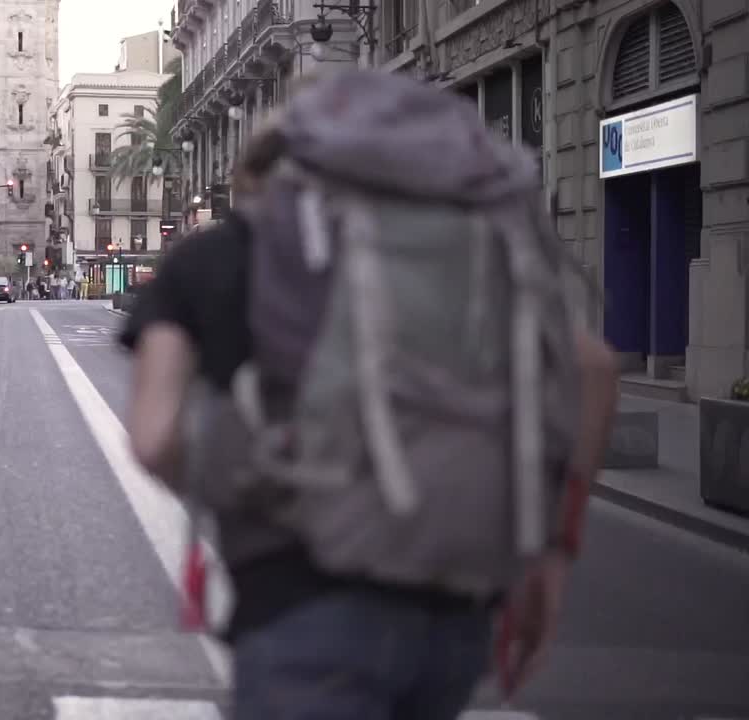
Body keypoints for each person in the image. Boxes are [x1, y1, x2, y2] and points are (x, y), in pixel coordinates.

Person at [121, 68, 621, 720]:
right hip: (454, 613)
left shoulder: (224, 253)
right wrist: (553, 553)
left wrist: (257, 486)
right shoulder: (460, 255)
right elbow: (595, 370)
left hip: (301, 608)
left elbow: (155, 439)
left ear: (260, 166)